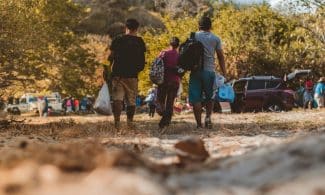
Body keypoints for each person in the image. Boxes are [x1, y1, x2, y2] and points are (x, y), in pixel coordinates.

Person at [189, 16, 226, 129]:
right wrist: (224, 72)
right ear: (210, 26)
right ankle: (208, 118)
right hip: (209, 71)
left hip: (195, 71)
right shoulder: (216, 38)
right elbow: (220, 56)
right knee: (210, 97)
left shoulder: (193, 36)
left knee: (196, 99)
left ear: (198, 26)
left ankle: (199, 125)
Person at [108, 18, 146, 129]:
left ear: (126, 27)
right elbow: (142, 60)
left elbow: (110, 57)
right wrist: (138, 70)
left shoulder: (118, 39)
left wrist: (106, 69)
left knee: (117, 99)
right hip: (133, 75)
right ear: (137, 28)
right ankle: (130, 123)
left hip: (118, 75)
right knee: (131, 100)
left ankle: (117, 123)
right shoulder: (140, 41)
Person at [156, 37, 181, 128]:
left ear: (169, 44)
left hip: (163, 81)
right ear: (178, 45)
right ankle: (166, 122)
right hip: (175, 81)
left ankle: (164, 119)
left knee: (161, 101)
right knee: (170, 103)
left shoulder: (163, 53)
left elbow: (156, 66)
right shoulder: (180, 55)